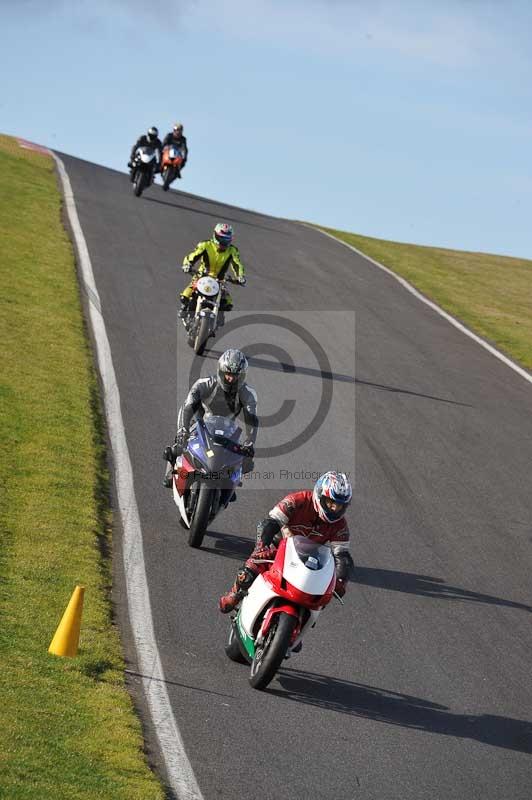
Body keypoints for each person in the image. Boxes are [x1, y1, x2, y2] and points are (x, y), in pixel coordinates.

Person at [219, 471, 353, 613]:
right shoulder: (297, 500)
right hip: (277, 549)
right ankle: (235, 594)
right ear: (320, 495)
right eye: (331, 502)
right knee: (246, 575)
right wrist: (261, 547)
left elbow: (342, 556)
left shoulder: (340, 525)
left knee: (320, 599)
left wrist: (340, 581)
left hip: (309, 560)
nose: (334, 509)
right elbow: (269, 523)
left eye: (339, 506)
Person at [163, 349, 257, 487]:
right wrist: (183, 429)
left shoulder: (248, 394)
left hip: (227, 431)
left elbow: (252, 420)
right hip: (200, 424)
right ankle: (173, 471)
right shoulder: (204, 383)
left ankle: (229, 485)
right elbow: (188, 407)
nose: (231, 379)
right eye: (228, 374)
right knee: (178, 445)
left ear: (242, 376)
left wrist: (250, 442)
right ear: (221, 371)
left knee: (246, 462)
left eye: (235, 376)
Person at [179, 223, 246, 324]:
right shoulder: (205, 245)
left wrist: (241, 277)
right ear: (215, 235)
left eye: (227, 240)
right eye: (222, 239)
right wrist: (187, 265)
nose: (224, 242)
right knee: (185, 296)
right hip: (201, 276)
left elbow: (237, 264)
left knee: (228, 303)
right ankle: (185, 310)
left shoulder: (232, 250)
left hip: (220, 281)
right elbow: (192, 256)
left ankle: (218, 320)